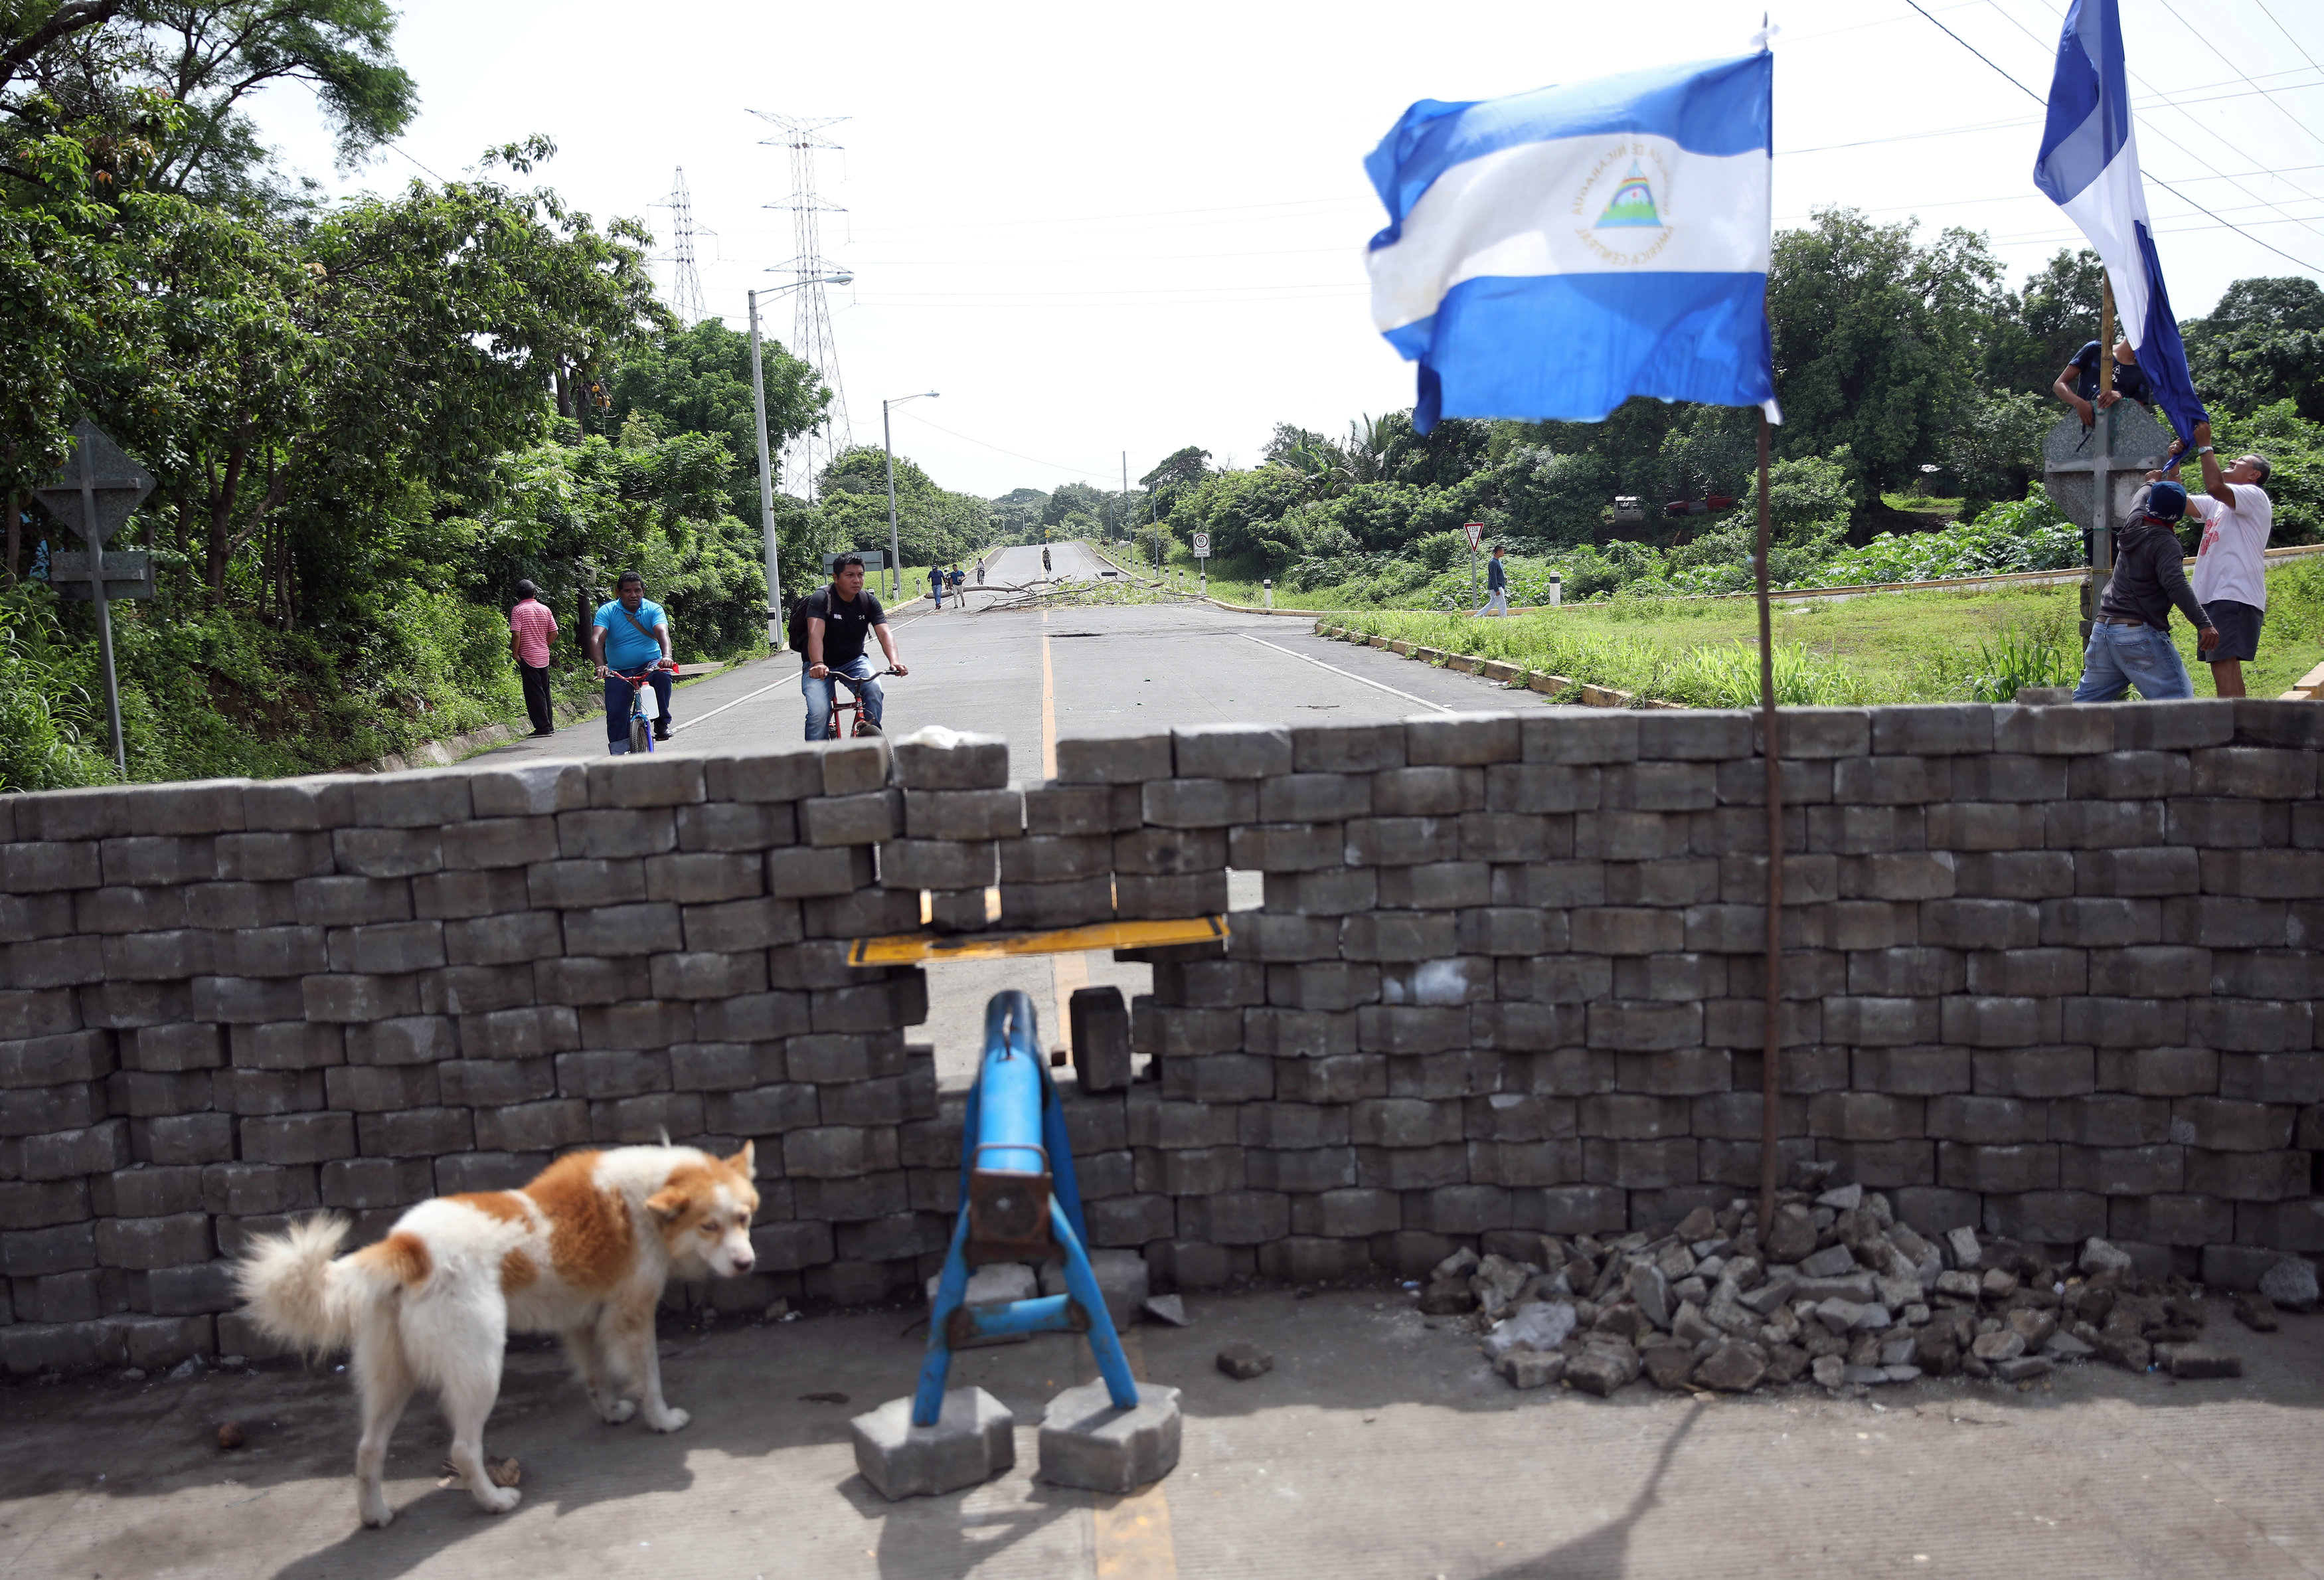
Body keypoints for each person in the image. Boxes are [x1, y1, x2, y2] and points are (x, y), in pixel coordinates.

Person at [2071, 478, 2218, 703]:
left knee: (2085, 704)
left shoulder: (2133, 524)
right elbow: (2176, 584)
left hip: (2103, 631)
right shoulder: (2166, 543)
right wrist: (2203, 623)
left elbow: (2139, 498)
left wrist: (2150, 481)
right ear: (2179, 516)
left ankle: (2045, 736)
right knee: (2178, 705)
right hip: (2136, 634)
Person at [2182, 422, 2274, 699]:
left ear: (2254, 475)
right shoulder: (2220, 504)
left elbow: (2213, 486)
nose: (2233, 461)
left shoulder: (2254, 496)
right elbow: (2180, 502)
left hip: (2232, 594)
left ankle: (2231, 731)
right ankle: (2240, 727)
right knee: (2224, 664)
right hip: (2216, 596)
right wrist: (2173, 466)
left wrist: (2205, 446)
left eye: (2241, 462)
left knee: (2222, 664)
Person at [802, 554, 908, 739]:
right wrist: (818, 663)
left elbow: (884, 633)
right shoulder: (822, 599)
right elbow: (815, 633)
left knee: (874, 690)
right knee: (819, 712)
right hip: (818, 665)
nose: (857, 580)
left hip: (854, 661)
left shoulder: (867, 601)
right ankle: (815, 760)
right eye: (850, 575)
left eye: (860, 575)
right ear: (836, 578)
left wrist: (895, 661)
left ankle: (869, 742)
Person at [589, 571, 675, 754]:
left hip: (649, 664)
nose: (633, 595)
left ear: (643, 591)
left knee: (662, 676)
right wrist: (600, 665)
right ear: (618, 592)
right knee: (615, 713)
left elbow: (663, 634)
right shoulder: (607, 611)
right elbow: (597, 638)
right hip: (618, 669)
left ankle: (661, 723)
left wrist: (666, 656)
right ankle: (619, 754)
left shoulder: (653, 609)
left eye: (637, 590)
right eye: (627, 591)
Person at [2053, 338, 2153, 428]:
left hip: (2114, 436)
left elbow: (2136, 414)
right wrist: (2079, 403)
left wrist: (2120, 398)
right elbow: (2059, 384)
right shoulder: (2095, 349)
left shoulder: (2142, 373)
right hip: (2081, 430)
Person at [507, 579, 558, 736]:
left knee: (534, 693)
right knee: (545, 691)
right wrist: (544, 645)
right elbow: (554, 632)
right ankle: (548, 725)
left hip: (528, 657)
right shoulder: (545, 609)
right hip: (543, 656)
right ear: (534, 593)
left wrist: (515, 654)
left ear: (518, 595)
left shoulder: (518, 610)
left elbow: (516, 634)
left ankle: (542, 728)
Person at [1479, 543, 1510, 616]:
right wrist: (1497, 589)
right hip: (1496, 587)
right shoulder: (1493, 562)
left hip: (1499, 586)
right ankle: (1503, 619)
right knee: (1502, 603)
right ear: (1498, 552)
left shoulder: (1498, 561)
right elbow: (1493, 577)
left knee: (1493, 603)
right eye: (1503, 551)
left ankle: (1478, 616)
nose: (1504, 552)